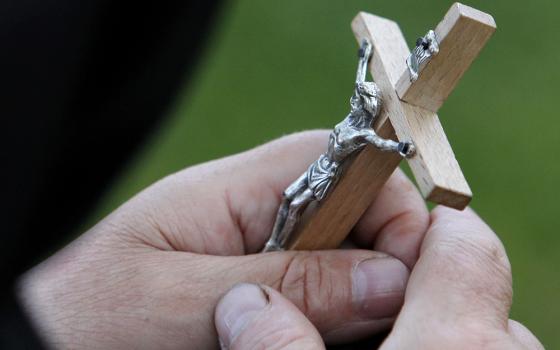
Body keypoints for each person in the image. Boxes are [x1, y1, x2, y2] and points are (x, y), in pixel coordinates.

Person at [17, 131, 543, 349]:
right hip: (310, 181)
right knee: (290, 210)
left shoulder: (368, 131)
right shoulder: (361, 115)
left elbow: (377, 135)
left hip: (321, 177)